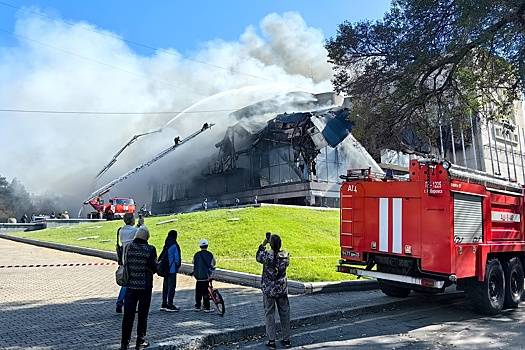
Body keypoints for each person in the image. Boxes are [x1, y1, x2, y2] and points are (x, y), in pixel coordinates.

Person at [120, 226, 157, 350]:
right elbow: (154, 268)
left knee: (128, 316)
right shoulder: (150, 249)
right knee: (142, 315)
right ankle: (140, 341)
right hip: (145, 287)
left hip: (130, 286)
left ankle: (124, 343)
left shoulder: (129, 248)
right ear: (147, 237)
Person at [256, 233, 291, 349]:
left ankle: (271, 340)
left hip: (269, 290)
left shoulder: (266, 256)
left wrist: (263, 243)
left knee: (269, 314)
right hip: (281, 289)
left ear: (270, 245)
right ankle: (286, 339)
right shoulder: (285, 256)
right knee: (285, 314)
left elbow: (258, 256)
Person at [116, 213, 139, 313]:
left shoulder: (121, 230)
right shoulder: (134, 231)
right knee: (130, 283)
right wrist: (141, 224)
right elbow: (141, 234)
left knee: (126, 282)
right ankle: (126, 304)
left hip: (124, 258)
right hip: (132, 259)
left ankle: (120, 302)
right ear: (131, 220)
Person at [192, 239, 216, 312]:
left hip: (198, 277)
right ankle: (206, 307)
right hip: (206, 277)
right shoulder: (210, 254)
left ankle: (198, 306)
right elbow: (213, 263)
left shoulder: (196, 254)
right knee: (205, 292)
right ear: (207, 246)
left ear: (200, 246)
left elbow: (193, 262)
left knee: (198, 292)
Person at [160, 230, 182, 312]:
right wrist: (177, 266)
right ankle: (170, 304)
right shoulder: (174, 245)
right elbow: (177, 259)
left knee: (165, 287)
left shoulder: (166, 244)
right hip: (172, 269)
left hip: (165, 269)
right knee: (171, 287)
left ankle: (164, 304)